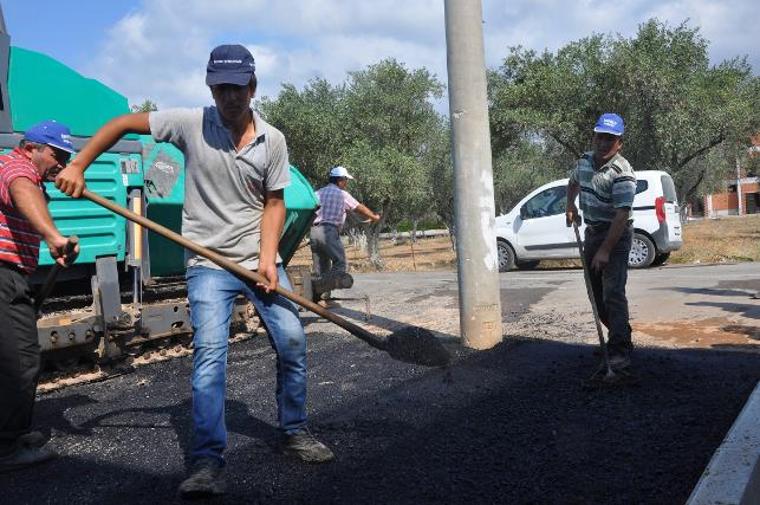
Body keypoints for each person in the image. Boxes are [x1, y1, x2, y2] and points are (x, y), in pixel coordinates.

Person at [55, 44, 334, 499]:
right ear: (210, 87)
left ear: (252, 87)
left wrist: (267, 258)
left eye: (237, 87)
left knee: (293, 341)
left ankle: (294, 430)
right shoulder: (190, 123)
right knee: (209, 357)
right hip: (207, 262)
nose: (229, 97)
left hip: (258, 259)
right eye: (220, 87)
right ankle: (207, 461)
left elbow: (275, 202)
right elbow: (124, 123)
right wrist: (79, 164)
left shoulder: (274, 140)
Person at [0, 120, 79, 472]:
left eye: (65, 158)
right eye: (56, 155)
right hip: (2, 274)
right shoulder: (16, 166)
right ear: (31, 147)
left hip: (11, 274)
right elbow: (21, 188)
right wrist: (52, 236)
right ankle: (6, 448)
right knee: (20, 360)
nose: (60, 164)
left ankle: (10, 435)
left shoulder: (20, 168)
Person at [565, 113, 636, 371]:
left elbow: (622, 214)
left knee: (613, 292)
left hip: (615, 237)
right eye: (600, 137)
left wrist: (606, 250)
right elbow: (573, 182)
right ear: (594, 137)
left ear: (619, 143)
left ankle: (619, 349)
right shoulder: (584, 161)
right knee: (596, 295)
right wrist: (570, 204)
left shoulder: (622, 173)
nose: (604, 143)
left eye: (610, 138)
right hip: (593, 233)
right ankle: (621, 335)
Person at [310, 166, 380, 297]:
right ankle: (319, 287)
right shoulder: (342, 194)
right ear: (340, 180)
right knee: (340, 263)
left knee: (321, 268)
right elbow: (358, 207)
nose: (346, 183)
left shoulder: (317, 193)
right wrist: (373, 217)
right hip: (328, 232)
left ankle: (320, 297)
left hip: (314, 232)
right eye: (346, 180)